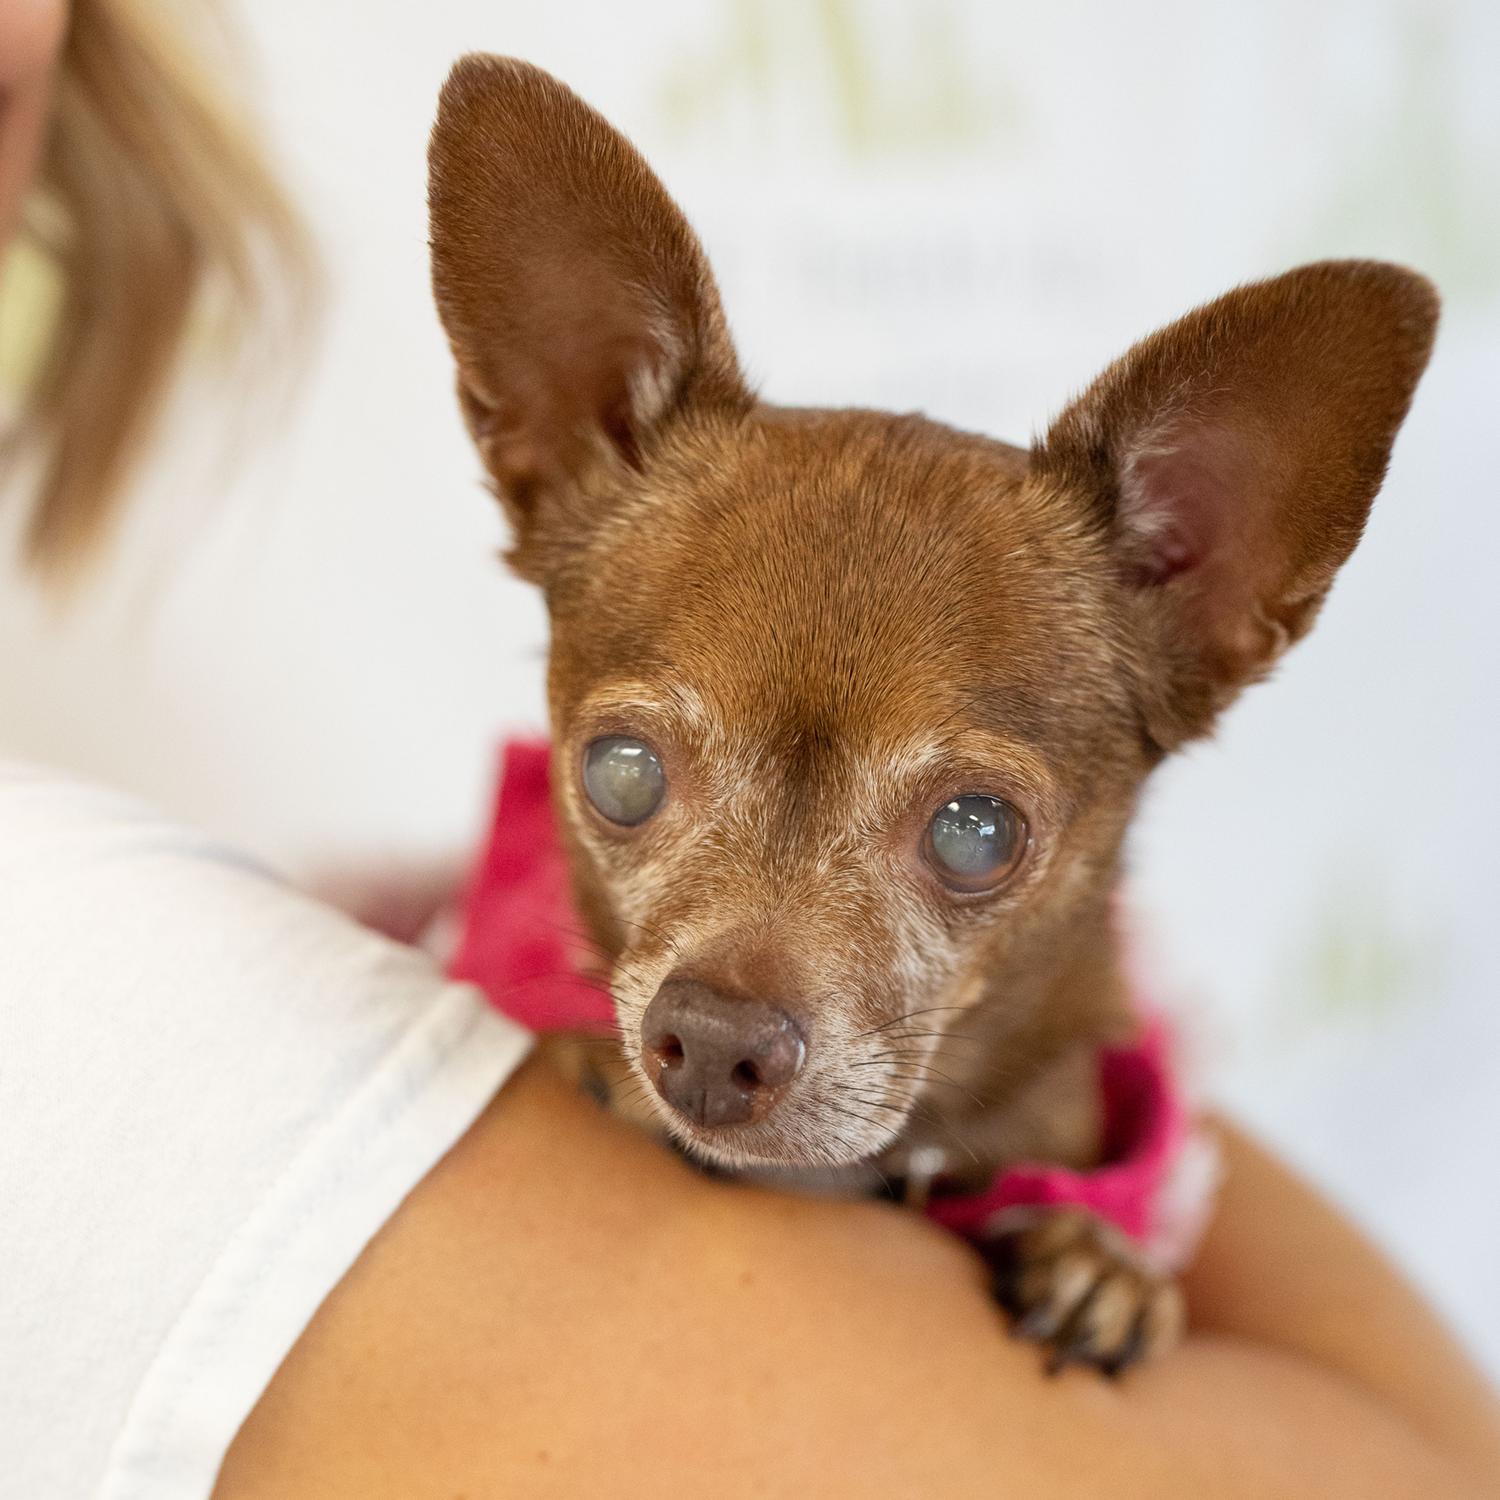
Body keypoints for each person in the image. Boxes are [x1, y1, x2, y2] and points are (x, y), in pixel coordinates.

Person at [3, 6, 1499, 1498]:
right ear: (553, 447)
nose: (732, 1015)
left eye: (969, 830)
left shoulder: (1124, 1164)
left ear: (1209, 586)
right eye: (637, 780)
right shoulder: (313, 1012)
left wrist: (1102, 1263)